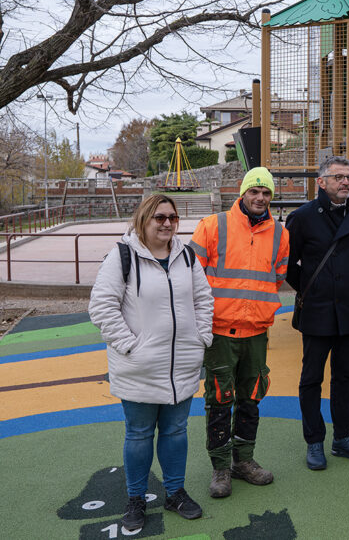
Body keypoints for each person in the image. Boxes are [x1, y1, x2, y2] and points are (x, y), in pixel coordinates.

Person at [88, 194, 213, 532]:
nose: (167, 223)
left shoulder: (186, 256)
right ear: (143, 219)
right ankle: (135, 499)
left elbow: (203, 300)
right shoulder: (122, 257)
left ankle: (175, 492)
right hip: (140, 367)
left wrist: (201, 338)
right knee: (140, 433)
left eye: (172, 217)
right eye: (159, 217)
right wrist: (131, 346)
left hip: (182, 366)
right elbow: (102, 307)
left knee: (175, 431)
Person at [189, 166, 289, 496]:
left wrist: (257, 311)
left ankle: (243, 461)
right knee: (219, 399)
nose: (260, 198)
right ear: (242, 193)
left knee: (251, 397)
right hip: (219, 332)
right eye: (254, 191)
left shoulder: (280, 233)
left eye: (266, 193)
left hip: (256, 332)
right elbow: (190, 276)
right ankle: (220, 469)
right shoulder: (212, 226)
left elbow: (276, 278)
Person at [285, 156, 349, 470]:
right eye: (338, 177)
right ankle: (314, 441)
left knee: (344, 377)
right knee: (311, 379)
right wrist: (314, 288)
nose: (346, 182)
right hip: (318, 310)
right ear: (321, 182)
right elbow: (288, 266)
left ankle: (343, 437)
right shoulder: (303, 217)